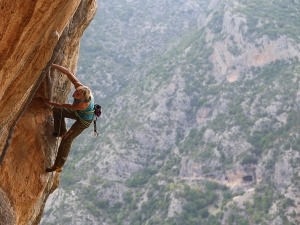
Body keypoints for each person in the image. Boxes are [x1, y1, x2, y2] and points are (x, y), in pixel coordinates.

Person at [44, 63, 94, 173]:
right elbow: (67, 72)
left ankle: (58, 166)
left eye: (77, 95)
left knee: (67, 139)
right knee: (57, 111)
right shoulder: (81, 88)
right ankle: (59, 131)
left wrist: (49, 103)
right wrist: (51, 64)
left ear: (81, 98)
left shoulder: (82, 104)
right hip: (78, 113)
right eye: (76, 92)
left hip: (84, 121)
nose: (74, 94)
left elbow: (64, 106)